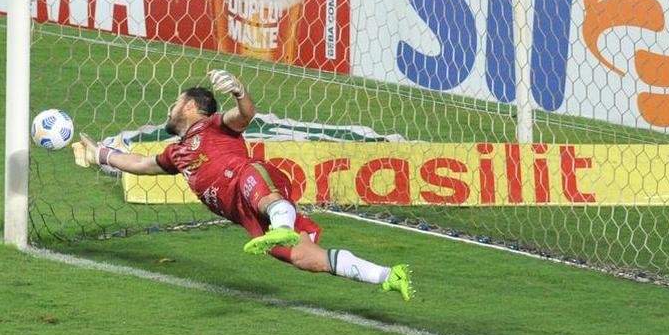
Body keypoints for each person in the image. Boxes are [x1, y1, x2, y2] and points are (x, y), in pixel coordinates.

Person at [72, 69, 414, 301]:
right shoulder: (176, 152)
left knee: (248, 177)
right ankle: (387, 275)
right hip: (247, 216)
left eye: (174, 103)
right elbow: (140, 164)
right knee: (306, 258)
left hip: (254, 181)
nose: (169, 108)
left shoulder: (215, 126)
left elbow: (245, 115)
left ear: (191, 107)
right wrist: (100, 154)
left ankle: (282, 225)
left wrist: (239, 90)